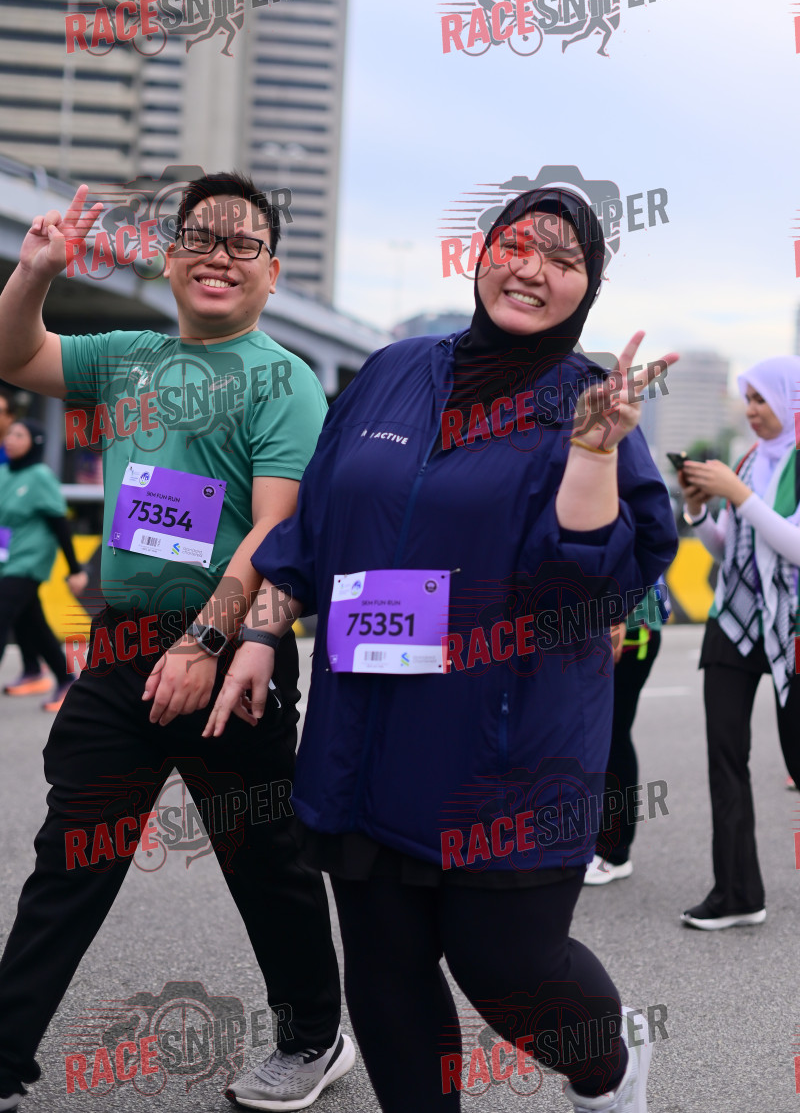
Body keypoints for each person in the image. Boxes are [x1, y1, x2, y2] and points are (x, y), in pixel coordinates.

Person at [206, 188, 679, 1113]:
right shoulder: (392, 371)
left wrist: (591, 454)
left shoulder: (588, 401)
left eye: (564, 259)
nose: (533, 270)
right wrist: (262, 628)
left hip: (508, 748)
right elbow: (314, 526)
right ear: (482, 255)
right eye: (517, 245)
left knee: (510, 969)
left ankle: (608, 1067)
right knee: (386, 973)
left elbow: (590, 592)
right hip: (365, 736)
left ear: (587, 289)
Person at [0, 173, 351, 1112]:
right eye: (201, 238)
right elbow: (17, 353)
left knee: (265, 862)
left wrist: (204, 642)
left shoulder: (283, 380)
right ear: (168, 259)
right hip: (121, 650)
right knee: (70, 858)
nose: (219, 257)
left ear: (272, 271)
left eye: (243, 244)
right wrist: (35, 273)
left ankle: (314, 1039)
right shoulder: (128, 357)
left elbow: (276, 531)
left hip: (232, 651)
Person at [678, 357, 800, 930]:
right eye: (746, 399)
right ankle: (737, 894)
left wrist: (740, 494)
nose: (751, 411)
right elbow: (730, 549)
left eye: (760, 399)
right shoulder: (749, 461)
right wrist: (698, 507)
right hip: (733, 621)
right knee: (725, 758)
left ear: (789, 400)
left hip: (791, 627)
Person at [584, 580, 670, 884]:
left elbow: (644, 556)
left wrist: (617, 616)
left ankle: (614, 853)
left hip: (630, 626)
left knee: (613, 735)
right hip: (594, 622)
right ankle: (591, 844)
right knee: (591, 737)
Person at [0, 417, 88, 711]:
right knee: (30, 621)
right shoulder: (3, 473)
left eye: (19, 435)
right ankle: (57, 678)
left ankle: (56, 678)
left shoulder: (40, 476)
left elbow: (59, 523)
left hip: (29, 560)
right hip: (6, 559)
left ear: (35, 443)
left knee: (3, 614)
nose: (10, 439)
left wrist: (75, 570)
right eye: (10, 434)